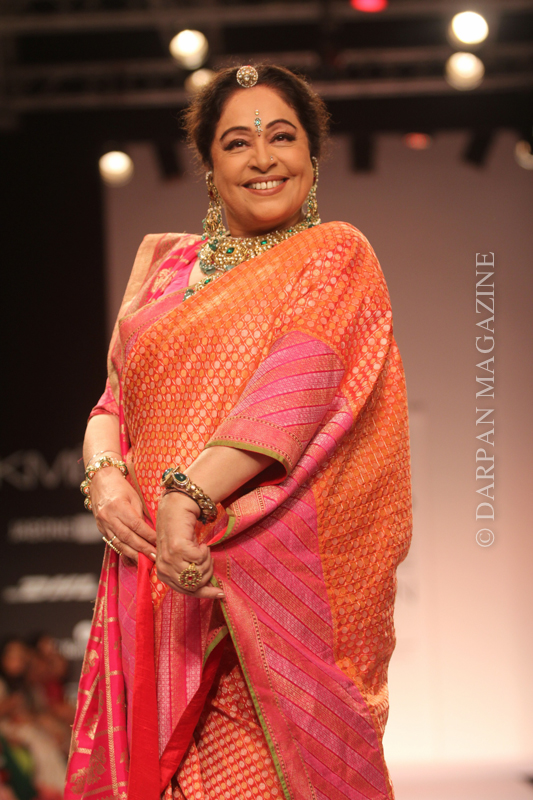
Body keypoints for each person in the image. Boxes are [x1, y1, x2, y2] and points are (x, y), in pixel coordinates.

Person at [65, 64, 412, 800]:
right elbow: (111, 404)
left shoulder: (334, 255)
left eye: (281, 137)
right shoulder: (166, 273)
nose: (262, 158)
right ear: (209, 165)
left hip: (261, 591)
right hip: (153, 582)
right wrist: (105, 480)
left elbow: (295, 387)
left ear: (312, 155)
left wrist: (185, 496)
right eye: (236, 142)